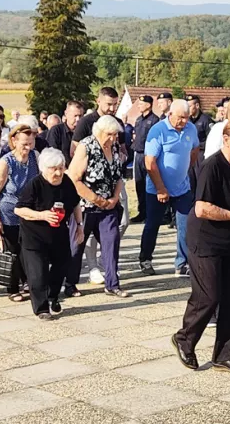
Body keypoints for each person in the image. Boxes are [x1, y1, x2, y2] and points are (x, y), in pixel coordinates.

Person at [173, 117, 230, 374]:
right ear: (226, 139)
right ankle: (185, 339)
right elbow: (202, 208)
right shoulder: (212, 166)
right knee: (209, 296)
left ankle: (224, 354)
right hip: (206, 240)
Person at [14, 148, 84, 320]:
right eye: (54, 169)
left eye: (61, 167)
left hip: (58, 232)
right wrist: (42, 215)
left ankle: (52, 295)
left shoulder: (66, 182)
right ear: (44, 169)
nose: (58, 172)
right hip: (34, 235)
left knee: (63, 264)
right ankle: (42, 308)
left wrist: (80, 226)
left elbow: (75, 204)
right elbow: (19, 209)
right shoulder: (35, 184)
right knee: (38, 274)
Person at [67, 115, 129, 297]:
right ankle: (70, 284)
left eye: (115, 135)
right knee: (77, 246)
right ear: (99, 132)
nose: (113, 138)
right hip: (85, 207)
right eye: (109, 134)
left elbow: (118, 176)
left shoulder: (115, 147)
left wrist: (115, 198)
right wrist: (97, 199)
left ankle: (112, 284)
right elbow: (74, 179)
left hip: (109, 207)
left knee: (111, 243)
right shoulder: (86, 146)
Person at [139, 100, 199, 276]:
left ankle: (182, 263)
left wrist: (186, 167)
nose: (183, 122)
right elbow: (149, 162)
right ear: (170, 114)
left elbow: (195, 150)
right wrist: (160, 188)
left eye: (186, 118)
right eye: (180, 117)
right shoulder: (158, 130)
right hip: (157, 189)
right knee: (153, 224)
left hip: (182, 188)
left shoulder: (190, 129)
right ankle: (145, 259)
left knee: (186, 225)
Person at [0, 124, 39, 301]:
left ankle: (28, 283)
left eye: (30, 143)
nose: (28, 147)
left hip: (29, 211)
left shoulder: (35, 157)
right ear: (14, 141)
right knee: (13, 252)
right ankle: (12, 287)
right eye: (24, 144)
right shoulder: (7, 161)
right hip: (9, 212)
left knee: (29, 250)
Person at [130, 95, 157, 224]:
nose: (139, 106)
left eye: (141, 103)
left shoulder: (154, 120)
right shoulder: (138, 120)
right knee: (139, 184)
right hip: (138, 154)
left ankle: (150, 213)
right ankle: (142, 212)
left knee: (149, 185)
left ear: (148, 105)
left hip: (148, 155)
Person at [46, 100, 84, 166]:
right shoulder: (56, 131)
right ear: (66, 114)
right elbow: (52, 155)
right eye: (75, 116)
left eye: (80, 116)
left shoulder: (86, 132)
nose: (78, 119)